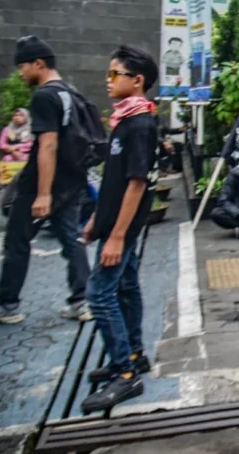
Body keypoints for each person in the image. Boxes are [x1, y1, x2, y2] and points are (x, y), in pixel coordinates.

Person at [79, 45, 159, 412]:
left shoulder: (140, 124)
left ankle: (125, 374)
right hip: (113, 223)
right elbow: (114, 181)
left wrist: (116, 234)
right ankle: (133, 354)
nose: (108, 81)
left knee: (100, 294)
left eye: (114, 74)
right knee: (126, 288)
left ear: (136, 80)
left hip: (123, 229)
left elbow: (137, 183)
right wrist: (99, 218)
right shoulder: (124, 121)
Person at [0, 36, 92, 325]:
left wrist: (43, 193)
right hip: (73, 181)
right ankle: (81, 301)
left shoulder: (44, 96)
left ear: (38, 63)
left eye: (22, 66)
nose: (20, 73)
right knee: (71, 238)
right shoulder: (70, 93)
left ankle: (7, 305)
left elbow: (48, 145)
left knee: (17, 240)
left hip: (43, 183)